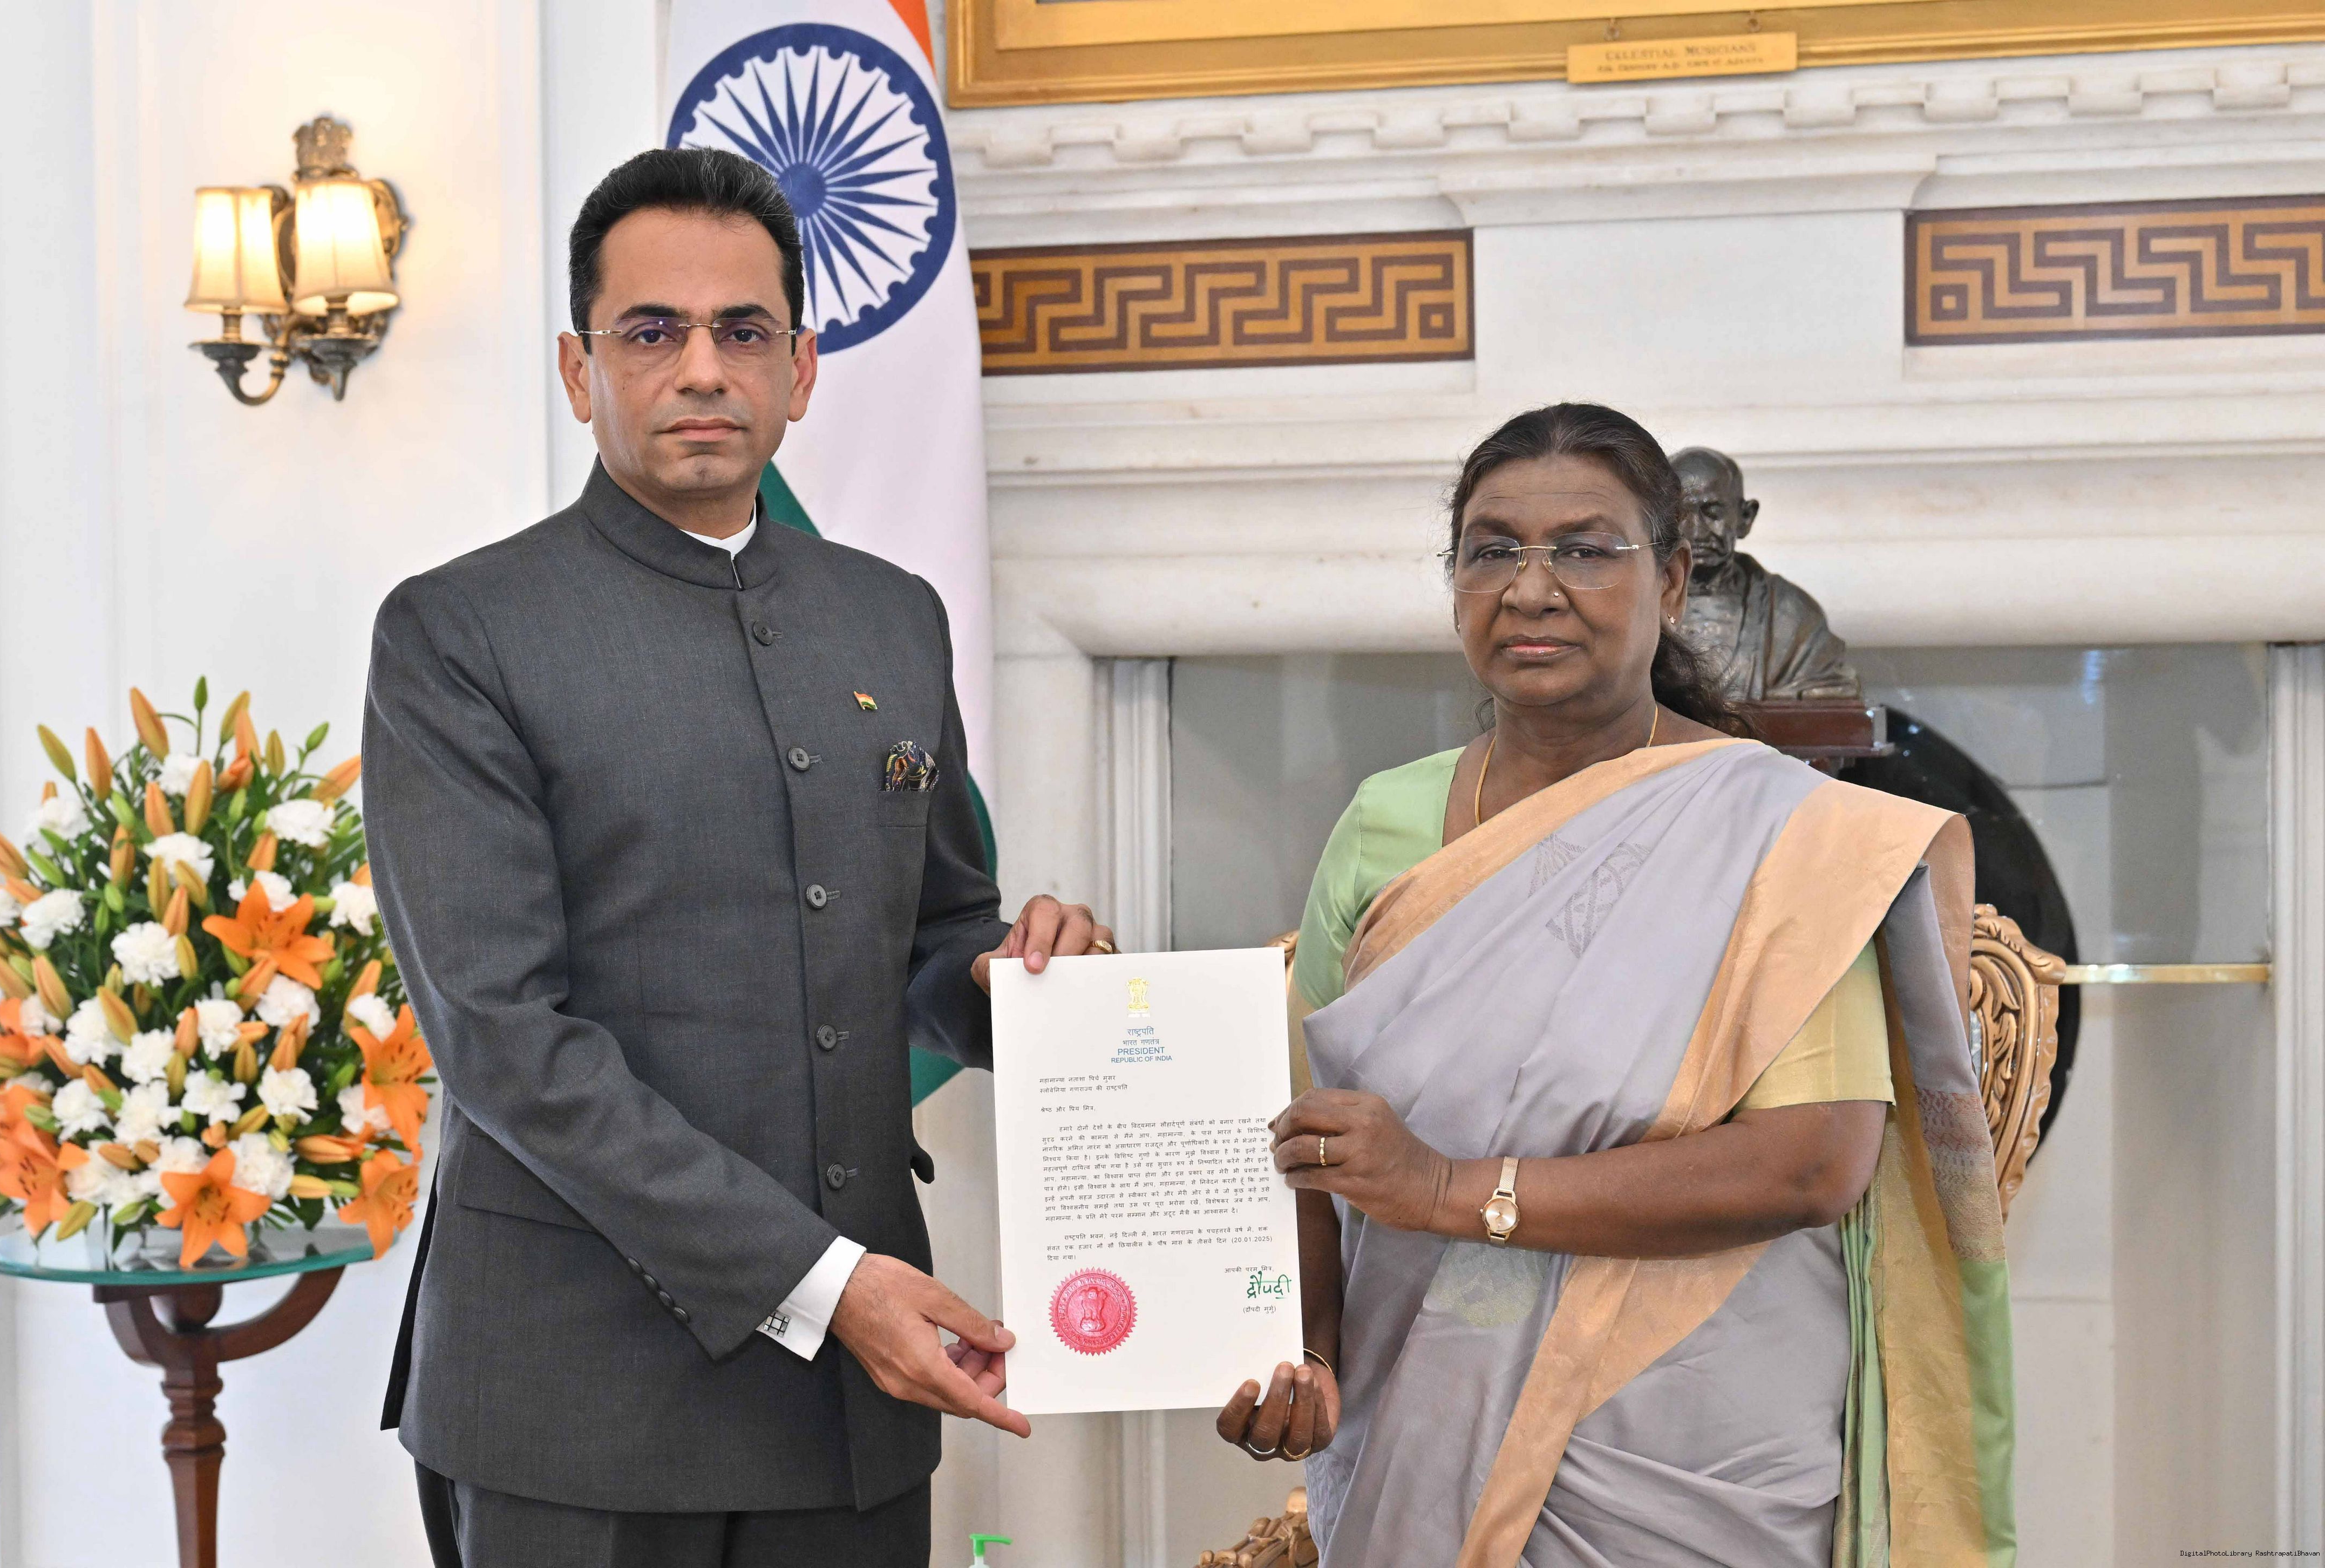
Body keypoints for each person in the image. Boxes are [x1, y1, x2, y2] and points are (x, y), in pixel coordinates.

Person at [363, 147, 1111, 1568]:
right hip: (571, 1405)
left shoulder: (892, 616)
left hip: (850, 1410)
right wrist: (828, 1286)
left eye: (743, 331)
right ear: (580, 370)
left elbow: (935, 934)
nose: (702, 369)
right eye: (652, 331)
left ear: (802, 369)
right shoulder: (459, 633)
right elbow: (504, 1039)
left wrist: (1030, 982)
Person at [1215, 405, 2016, 1565]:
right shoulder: (1385, 824)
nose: (1531, 589)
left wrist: (1450, 1188)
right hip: (1420, 1416)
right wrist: (1311, 1356)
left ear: (1672, 581)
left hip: (1694, 1442)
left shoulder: (1783, 835)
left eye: (1585, 550)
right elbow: (1304, 1142)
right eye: (1491, 550)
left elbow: (1811, 1161)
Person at [1671, 444, 1860, 701]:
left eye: (1713, 513)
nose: (1696, 531)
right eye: (1681, 515)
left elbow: (1831, 694)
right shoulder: (1632, 605)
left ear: (1745, 518)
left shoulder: (1793, 615)